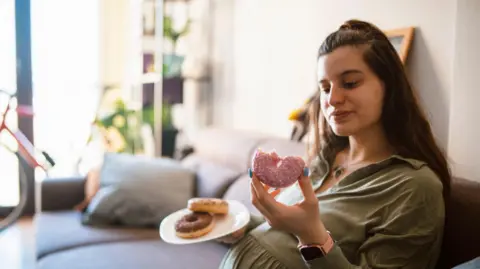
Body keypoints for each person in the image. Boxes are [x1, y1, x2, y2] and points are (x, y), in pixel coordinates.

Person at [218, 19, 451, 269]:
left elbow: (306, 235)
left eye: (350, 83)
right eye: (325, 88)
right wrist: (234, 225)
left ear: (389, 86)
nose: (333, 99)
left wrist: (312, 236)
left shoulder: (414, 188)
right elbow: (284, 237)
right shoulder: (324, 160)